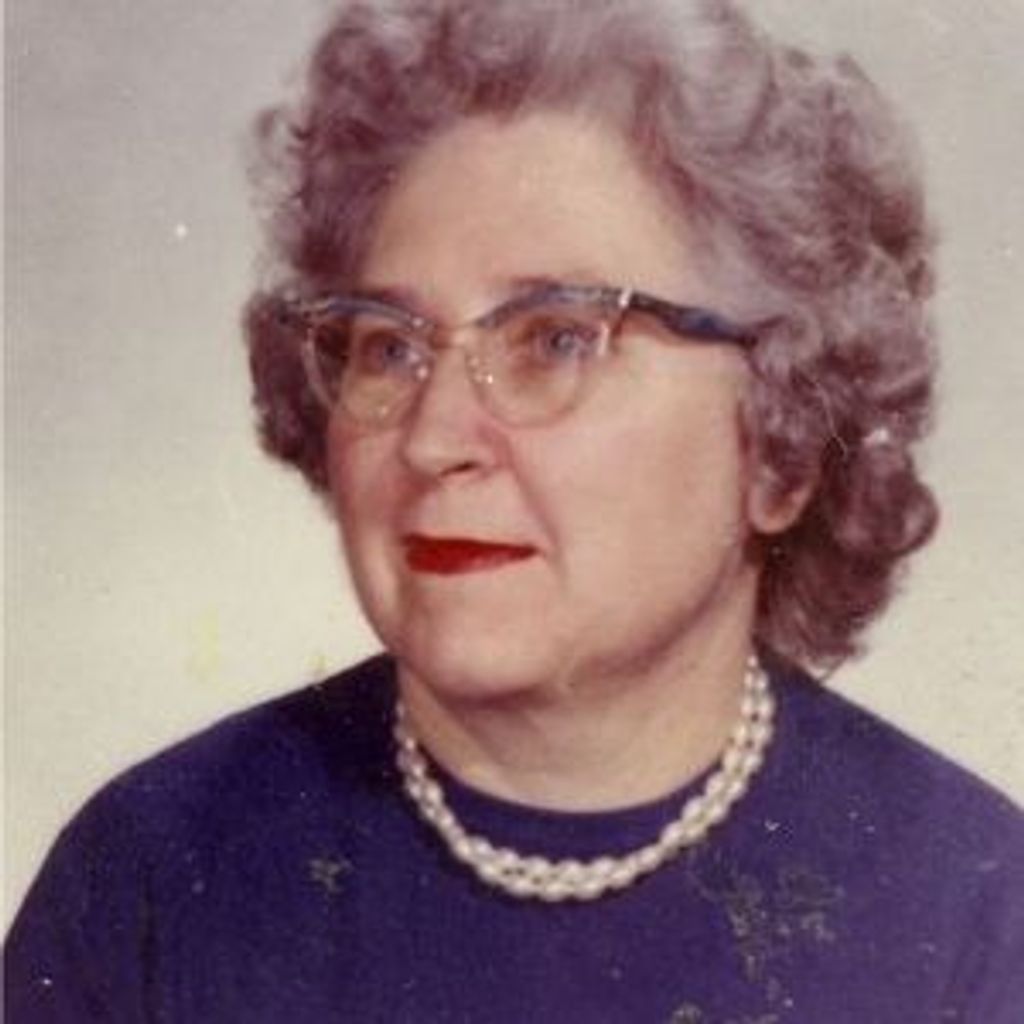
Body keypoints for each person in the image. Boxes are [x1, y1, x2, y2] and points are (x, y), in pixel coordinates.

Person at [6, 0, 1023, 1021]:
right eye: (390, 346)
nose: (433, 436)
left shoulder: (977, 918)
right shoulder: (146, 882)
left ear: (783, 445)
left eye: (557, 339)